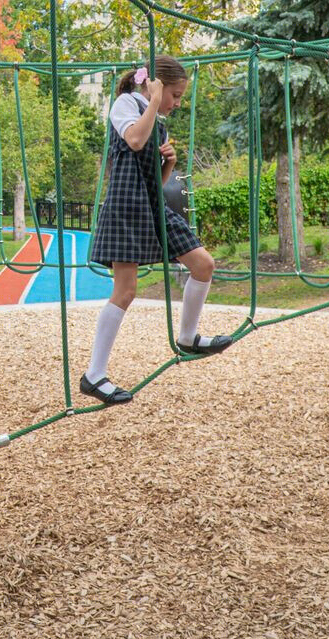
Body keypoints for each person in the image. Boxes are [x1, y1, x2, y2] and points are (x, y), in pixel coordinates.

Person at [81, 57, 232, 406]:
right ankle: (93, 375)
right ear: (157, 86)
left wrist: (169, 165)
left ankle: (188, 336)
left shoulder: (159, 124)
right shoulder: (126, 104)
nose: (177, 103)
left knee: (203, 264)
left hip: (151, 205)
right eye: (175, 95)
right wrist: (152, 100)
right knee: (126, 290)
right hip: (125, 205)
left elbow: (154, 182)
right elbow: (134, 140)